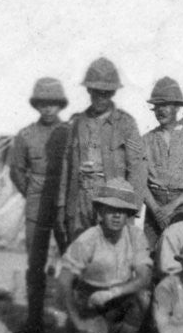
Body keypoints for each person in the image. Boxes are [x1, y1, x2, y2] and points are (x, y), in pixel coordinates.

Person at [58, 179, 152, 333]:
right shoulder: (88, 239)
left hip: (119, 298)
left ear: (128, 215)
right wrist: (77, 321)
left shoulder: (135, 236)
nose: (117, 215)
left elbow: (144, 276)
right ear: (100, 211)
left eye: (122, 210)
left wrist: (112, 293)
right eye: (110, 209)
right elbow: (63, 281)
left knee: (144, 298)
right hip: (91, 302)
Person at [59, 57, 147, 245]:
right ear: (89, 90)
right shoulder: (77, 123)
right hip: (80, 196)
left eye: (106, 93)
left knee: (109, 253)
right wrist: (61, 204)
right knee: (78, 249)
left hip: (111, 199)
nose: (100, 97)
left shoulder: (126, 124)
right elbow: (66, 164)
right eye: (96, 92)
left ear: (113, 93)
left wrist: (131, 210)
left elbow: (137, 168)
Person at [8, 77, 71, 333]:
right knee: (35, 263)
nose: (48, 109)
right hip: (36, 206)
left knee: (71, 260)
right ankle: (34, 320)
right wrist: (31, 193)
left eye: (53, 104)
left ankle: (74, 324)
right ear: (36, 105)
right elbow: (16, 170)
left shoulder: (69, 132)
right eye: (43, 104)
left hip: (63, 203)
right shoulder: (25, 135)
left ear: (60, 105)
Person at [140, 76, 183, 245]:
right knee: (151, 254)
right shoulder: (146, 140)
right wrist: (156, 209)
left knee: (180, 249)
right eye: (156, 106)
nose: (160, 111)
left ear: (177, 107)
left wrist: (172, 206)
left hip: (182, 205)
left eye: (165, 105)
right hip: (154, 202)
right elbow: (140, 180)